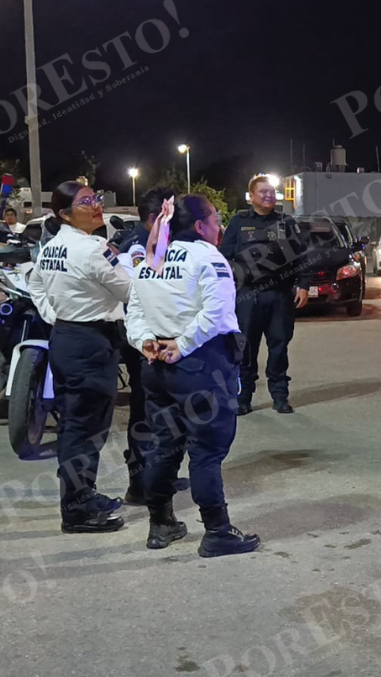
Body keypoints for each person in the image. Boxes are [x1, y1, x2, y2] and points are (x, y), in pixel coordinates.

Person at [126, 194, 261, 557]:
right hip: (200, 367)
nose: (220, 228)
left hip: (157, 369)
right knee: (205, 453)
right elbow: (216, 314)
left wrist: (145, 342)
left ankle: (161, 524)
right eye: (216, 220)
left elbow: (134, 311)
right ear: (200, 226)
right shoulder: (207, 257)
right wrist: (182, 345)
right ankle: (217, 531)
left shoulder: (150, 260)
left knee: (163, 447)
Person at [29, 181, 131, 534]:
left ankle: (82, 494)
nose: (96, 206)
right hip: (90, 342)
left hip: (68, 337)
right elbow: (128, 289)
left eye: (96, 199)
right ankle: (77, 510)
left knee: (77, 425)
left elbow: (36, 284)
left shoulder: (51, 247)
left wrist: (54, 314)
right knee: (85, 430)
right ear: (64, 213)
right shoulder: (92, 249)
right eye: (86, 202)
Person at [219, 175, 313, 415]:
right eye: (263, 192)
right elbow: (224, 258)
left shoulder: (286, 223)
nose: (269, 195)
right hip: (247, 297)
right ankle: (244, 397)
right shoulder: (239, 223)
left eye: (272, 191)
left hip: (280, 296)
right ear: (251, 196)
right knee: (246, 349)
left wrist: (303, 285)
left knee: (279, 348)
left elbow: (302, 257)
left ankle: (280, 396)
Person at [113, 186, 182, 506]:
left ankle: (154, 476)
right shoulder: (139, 247)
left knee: (156, 413)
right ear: (156, 218)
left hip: (148, 339)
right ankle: (140, 484)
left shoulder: (149, 241)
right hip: (147, 342)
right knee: (145, 414)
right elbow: (145, 294)